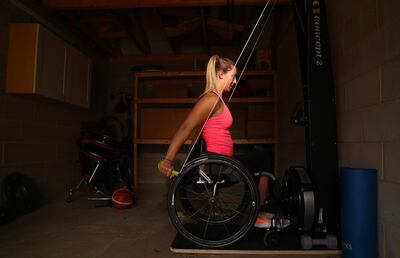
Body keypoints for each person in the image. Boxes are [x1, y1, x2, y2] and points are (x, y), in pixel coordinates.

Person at [158, 54, 273, 228]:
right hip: (219, 164)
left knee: (262, 159)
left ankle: (258, 209)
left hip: (224, 161)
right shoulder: (210, 100)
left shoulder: (217, 100)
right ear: (220, 74)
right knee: (264, 159)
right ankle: (259, 213)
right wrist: (168, 159)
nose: (234, 81)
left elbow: (199, 133)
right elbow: (185, 128)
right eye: (232, 76)